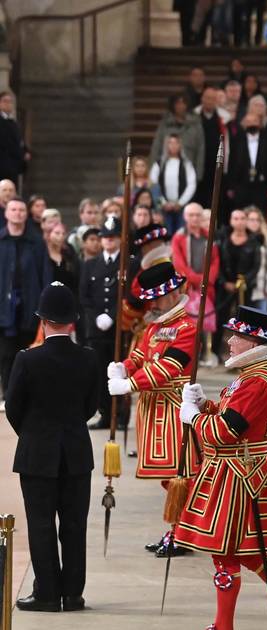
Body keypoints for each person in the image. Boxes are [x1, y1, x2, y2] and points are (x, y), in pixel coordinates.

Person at [174, 305, 267, 630]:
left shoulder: (256, 383)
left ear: (254, 344)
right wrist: (204, 405)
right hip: (237, 470)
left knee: (225, 550)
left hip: (237, 474)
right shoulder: (253, 376)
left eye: (237, 337)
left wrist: (193, 417)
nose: (229, 341)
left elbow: (226, 432)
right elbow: (235, 418)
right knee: (243, 550)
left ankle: (225, 625)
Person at [7, 282, 101, 613]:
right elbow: (92, 406)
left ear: (43, 320)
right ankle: (73, 593)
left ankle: (46, 592)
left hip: (37, 454)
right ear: (72, 321)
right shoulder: (89, 359)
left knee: (41, 524)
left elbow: (14, 407)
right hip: (76, 452)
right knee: (74, 526)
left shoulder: (27, 359)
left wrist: (33, 434)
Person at [107, 261, 201, 555]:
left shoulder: (187, 327)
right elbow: (139, 355)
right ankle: (178, 529)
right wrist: (123, 367)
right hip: (152, 410)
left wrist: (130, 385)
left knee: (179, 475)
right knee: (166, 476)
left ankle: (181, 531)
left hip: (174, 408)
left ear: (173, 293)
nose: (154, 303)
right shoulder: (155, 326)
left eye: (158, 297)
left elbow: (169, 367)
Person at [0, 198, 49, 396]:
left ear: (26, 214)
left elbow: (44, 274)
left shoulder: (36, 242)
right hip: (4, 307)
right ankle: (8, 392)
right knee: (6, 353)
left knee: (28, 351)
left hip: (29, 304)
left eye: (21, 210)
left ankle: (26, 392)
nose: (17, 213)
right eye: (13, 209)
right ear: (6, 213)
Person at [171, 203, 219, 367]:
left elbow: (215, 261)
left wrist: (207, 279)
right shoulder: (179, 237)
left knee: (205, 322)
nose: (195, 218)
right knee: (187, 324)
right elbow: (179, 264)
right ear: (185, 217)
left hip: (205, 288)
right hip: (187, 288)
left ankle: (205, 354)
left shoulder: (209, 236)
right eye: (191, 215)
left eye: (198, 215)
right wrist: (197, 279)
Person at [226, 111, 267, 221]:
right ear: (244, 124)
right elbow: (232, 163)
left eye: (254, 121)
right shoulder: (237, 139)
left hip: (262, 185)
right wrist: (230, 186)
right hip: (241, 185)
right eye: (248, 121)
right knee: (241, 214)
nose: (251, 124)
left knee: (261, 215)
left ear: (260, 123)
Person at [218, 208, 261, 328]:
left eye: (243, 218)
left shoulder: (254, 241)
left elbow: (256, 265)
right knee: (220, 318)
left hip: (245, 287)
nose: (240, 221)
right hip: (225, 287)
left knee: (244, 321)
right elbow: (218, 263)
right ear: (231, 221)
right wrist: (224, 282)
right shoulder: (223, 240)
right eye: (236, 218)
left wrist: (244, 280)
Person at [150, 134, 198, 236]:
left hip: (181, 206)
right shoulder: (159, 164)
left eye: (176, 143)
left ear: (180, 145)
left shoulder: (186, 164)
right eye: (170, 143)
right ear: (166, 145)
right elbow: (153, 185)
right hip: (164, 207)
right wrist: (163, 203)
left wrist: (180, 203)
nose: (173, 146)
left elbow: (191, 184)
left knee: (181, 234)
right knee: (166, 233)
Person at [151, 95, 206, 177]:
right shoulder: (165, 123)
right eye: (178, 103)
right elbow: (156, 146)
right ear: (173, 105)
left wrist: (198, 173)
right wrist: (152, 170)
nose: (181, 106)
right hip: (166, 168)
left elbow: (201, 148)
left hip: (188, 169)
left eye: (183, 103)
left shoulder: (195, 124)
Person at [194, 87, 227, 208]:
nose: (209, 101)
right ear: (202, 99)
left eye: (213, 99)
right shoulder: (194, 117)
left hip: (217, 165)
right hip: (198, 165)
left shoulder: (223, 119)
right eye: (207, 98)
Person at [244, 207, 267, 311]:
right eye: (251, 220)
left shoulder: (266, 238)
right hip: (244, 287)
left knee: (260, 323)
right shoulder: (240, 237)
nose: (254, 223)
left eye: (257, 220)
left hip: (261, 288)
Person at [0, 91, 28, 185]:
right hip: (3, 165)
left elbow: (18, 140)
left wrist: (24, 151)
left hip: (13, 165)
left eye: (10, 102)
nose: (8, 104)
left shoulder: (13, 122)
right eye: (5, 101)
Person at [45, 223, 80, 292]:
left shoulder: (69, 251)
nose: (61, 236)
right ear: (49, 234)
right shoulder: (43, 253)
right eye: (57, 233)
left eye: (63, 234)